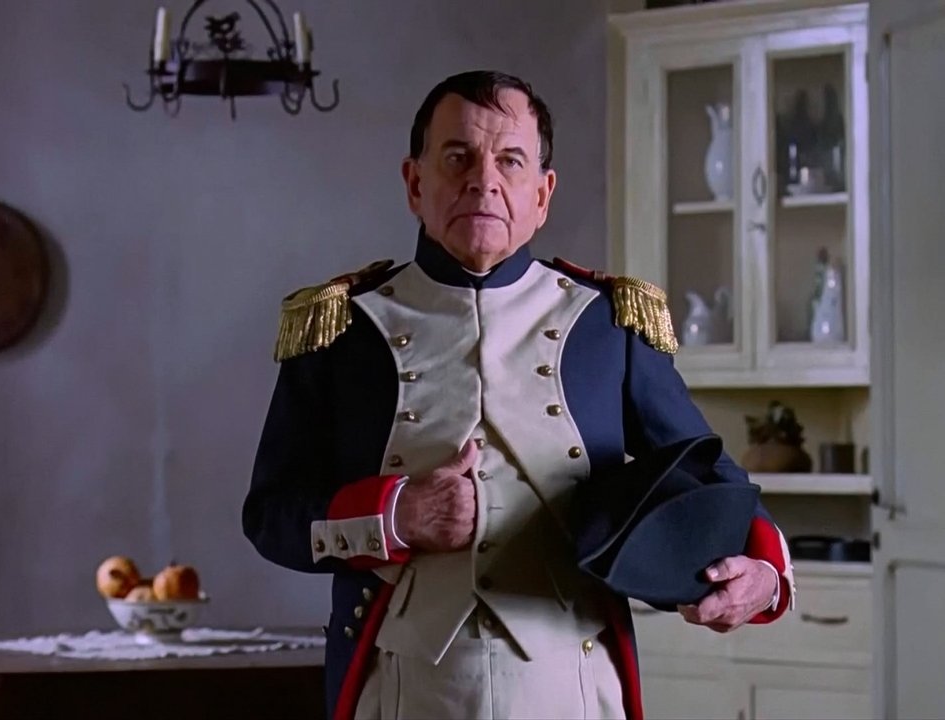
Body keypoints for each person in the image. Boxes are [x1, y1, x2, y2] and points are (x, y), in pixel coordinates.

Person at [243, 70, 794, 720]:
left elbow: (711, 479)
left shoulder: (609, 324)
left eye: (510, 160)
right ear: (415, 183)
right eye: (458, 157)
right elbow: (271, 516)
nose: (484, 180)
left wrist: (763, 573)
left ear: (542, 194)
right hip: (401, 691)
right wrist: (396, 517)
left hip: (576, 690)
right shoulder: (342, 329)